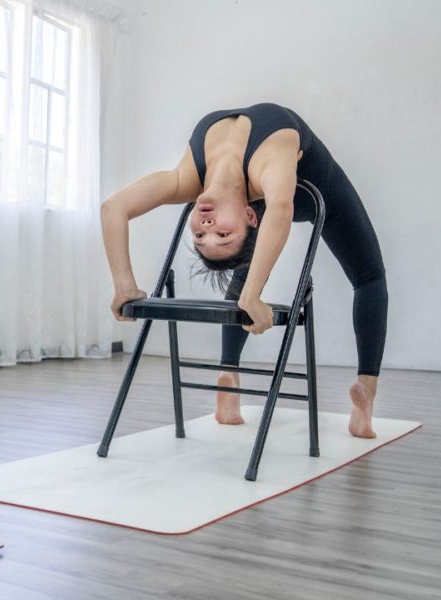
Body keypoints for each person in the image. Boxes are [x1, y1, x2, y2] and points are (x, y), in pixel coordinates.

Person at [100, 102, 387, 439]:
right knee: (369, 277)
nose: (206, 226)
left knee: (365, 276)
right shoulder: (263, 165)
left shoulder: (189, 177)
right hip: (283, 190)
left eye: (201, 235)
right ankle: (363, 391)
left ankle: (233, 378)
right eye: (219, 234)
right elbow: (280, 205)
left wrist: (125, 286)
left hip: (311, 189)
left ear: (252, 215)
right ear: (253, 215)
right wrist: (124, 285)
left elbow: (113, 207)